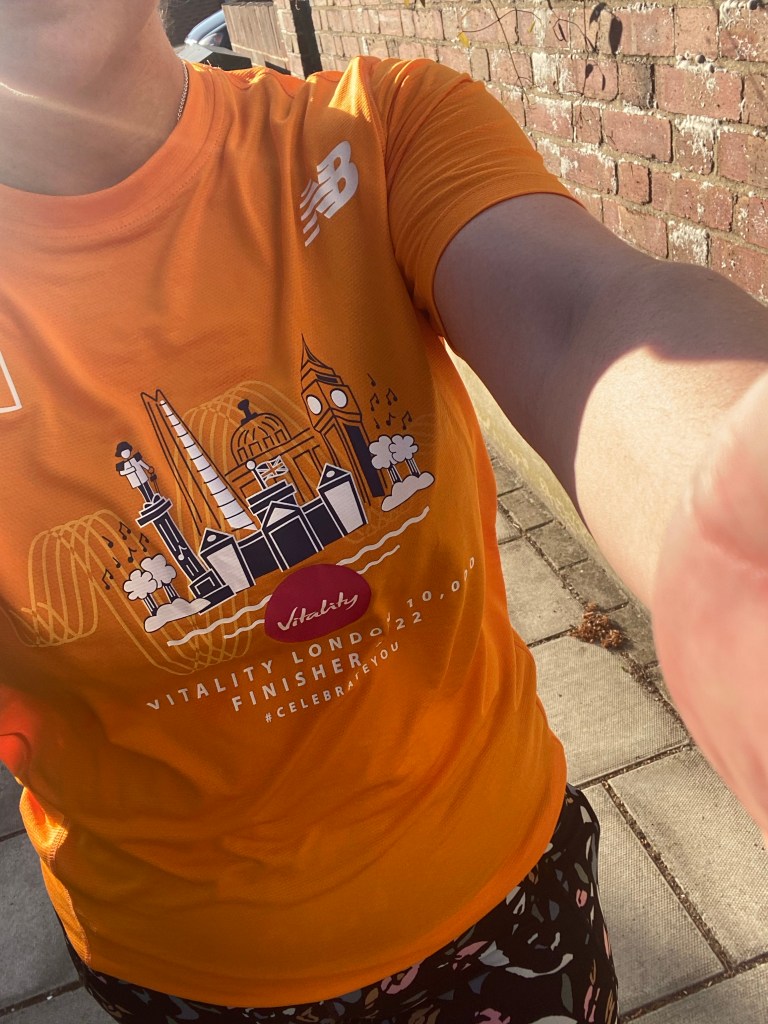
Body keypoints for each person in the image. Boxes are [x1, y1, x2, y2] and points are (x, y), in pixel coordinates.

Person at [0, 3, 766, 1023]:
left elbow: (584, 315)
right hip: (185, 972)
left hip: (500, 892)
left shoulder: (379, 131)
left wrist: (727, 517)